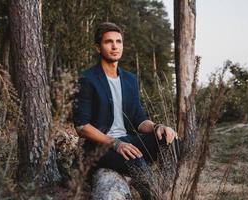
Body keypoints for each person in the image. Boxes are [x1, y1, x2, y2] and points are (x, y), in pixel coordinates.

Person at [73, 22, 178, 200]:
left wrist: (158, 127)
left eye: (118, 41)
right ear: (98, 47)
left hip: (129, 141)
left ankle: (159, 187)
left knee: (172, 142)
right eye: (108, 42)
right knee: (134, 159)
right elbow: (82, 126)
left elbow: (139, 119)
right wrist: (116, 144)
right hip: (101, 146)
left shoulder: (130, 79)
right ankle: (153, 195)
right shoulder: (87, 79)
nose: (115, 46)